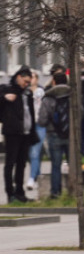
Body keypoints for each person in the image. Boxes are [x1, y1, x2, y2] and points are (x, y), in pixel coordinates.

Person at [1, 66, 38, 203]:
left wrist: (33, 132)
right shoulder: (7, 89)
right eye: (25, 81)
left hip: (26, 133)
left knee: (22, 164)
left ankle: (20, 193)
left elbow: (31, 114)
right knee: (10, 163)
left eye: (29, 82)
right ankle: (10, 193)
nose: (26, 84)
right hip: (12, 133)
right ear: (18, 77)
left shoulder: (27, 93)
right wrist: (4, 98)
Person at [37, 71, 71, 200]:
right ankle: (74, 191)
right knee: (73, 164)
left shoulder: (48, 98)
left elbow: (42, 120)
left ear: (54, 82)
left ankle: (55, 193)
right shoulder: (72, 96)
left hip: (54, 135)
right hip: (71, 136)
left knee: (56, 165)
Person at [26, 71, 46, 194]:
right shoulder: (25, 92)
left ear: (37, 79)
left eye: (32, 77)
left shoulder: (40, 92)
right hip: (28, 126)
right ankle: (38, 175)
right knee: (30, 154)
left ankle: (31, 179)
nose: (30, 79)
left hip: (39, 125)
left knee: (35, 152)